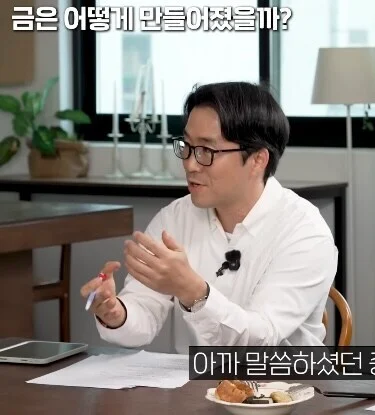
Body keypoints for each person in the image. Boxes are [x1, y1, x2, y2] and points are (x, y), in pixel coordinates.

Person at [80, 82, 338, 352]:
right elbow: (143, 313)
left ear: (257, 160)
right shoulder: (175, 218)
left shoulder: (305, 232)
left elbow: (261, 339)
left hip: (281, 377)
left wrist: (194, 291)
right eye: (187, 146)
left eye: (206, 151)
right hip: (193, 378)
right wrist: (116, 313)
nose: (190, 164)